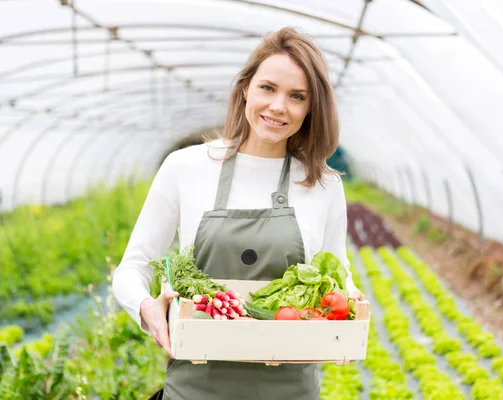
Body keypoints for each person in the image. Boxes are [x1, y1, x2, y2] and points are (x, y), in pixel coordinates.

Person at [112, 26, 363, 400]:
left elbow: (336, 271)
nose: (279, 106)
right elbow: (133, 266)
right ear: (245, 87)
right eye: (268, 88)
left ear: (311, 109)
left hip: (290, 389)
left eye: (297, 96)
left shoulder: (323, 185)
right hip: (196, 387)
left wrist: (350, 298)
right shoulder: (187, 167)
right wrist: (145, 307)